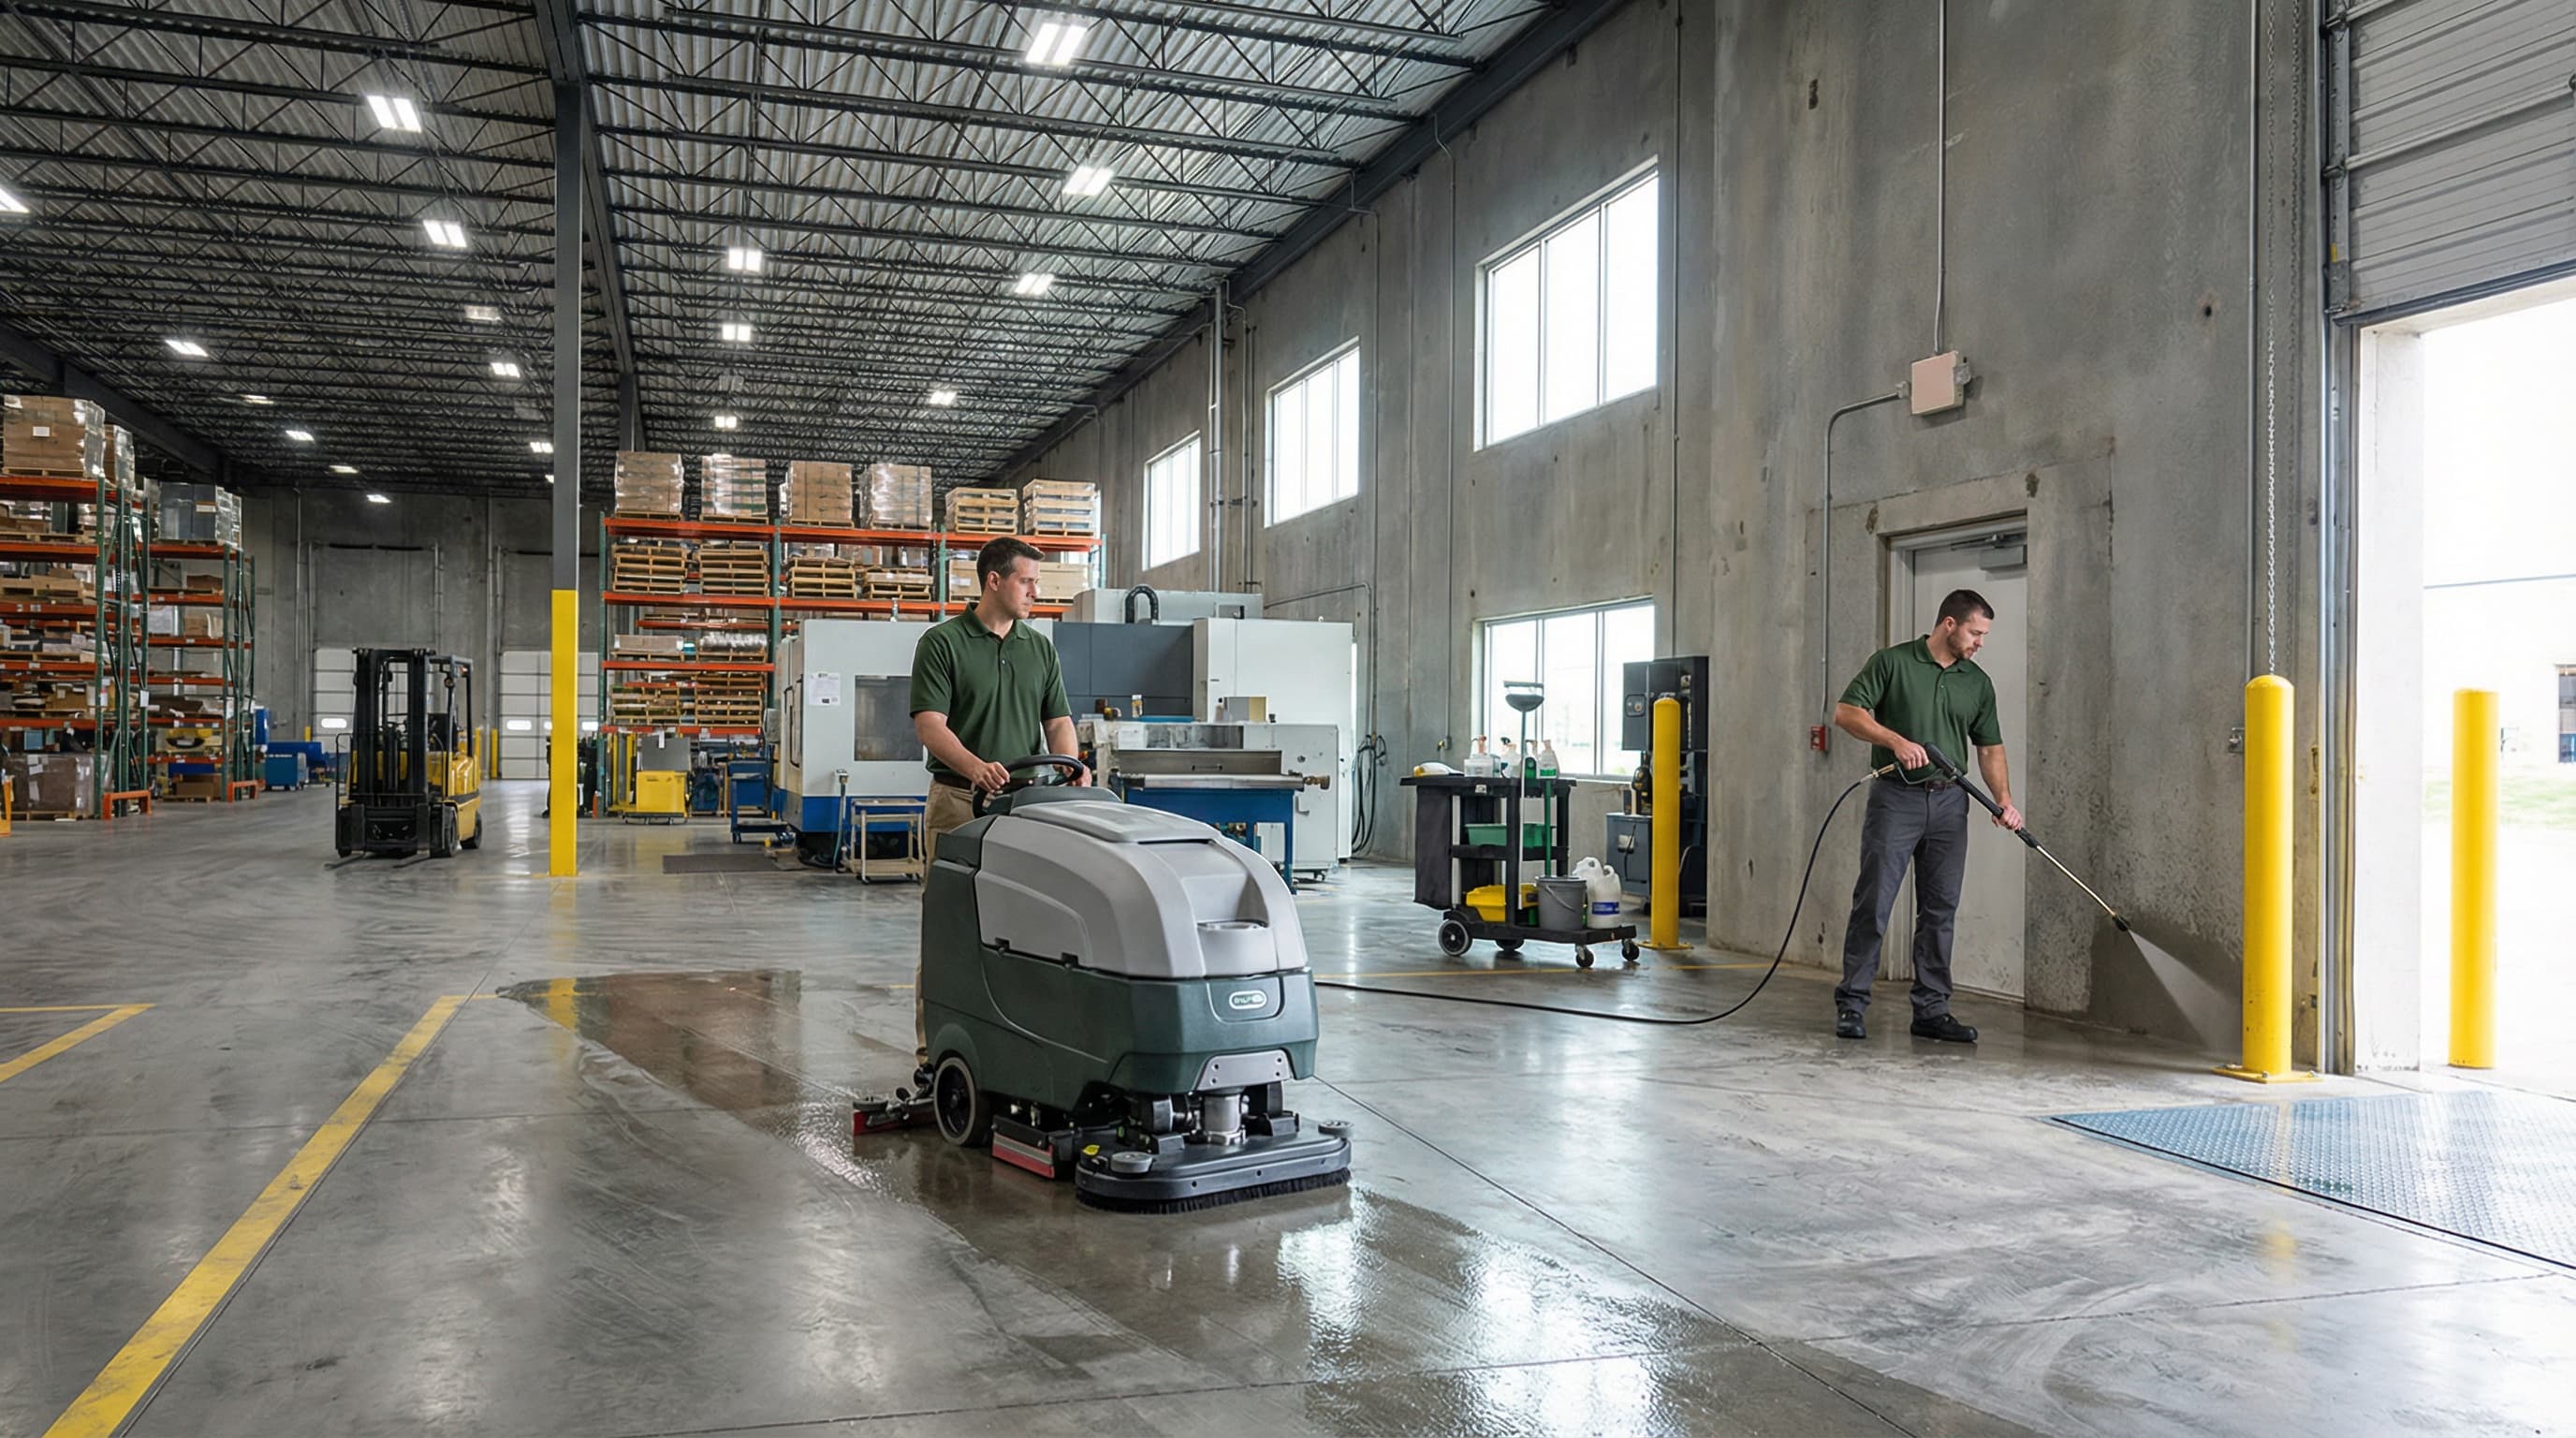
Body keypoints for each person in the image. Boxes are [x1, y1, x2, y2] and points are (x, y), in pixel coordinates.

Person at [904, 535, 1086, 1083]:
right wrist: (974, 766)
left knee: (1027, 929)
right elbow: (929, 725)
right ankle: (934, 1056)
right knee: (950, 928)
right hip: (960, 803)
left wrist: (1070, 765)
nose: (1036, 592)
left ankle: (1018, 1045)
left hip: (1028, 808)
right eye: (1028, 581)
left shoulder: (1039, 648)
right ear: (993, 581)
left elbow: (1058, 722)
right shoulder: (943, 643)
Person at [1829, 588, 2022, 1043]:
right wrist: (1895, 740)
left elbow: (1990, 747)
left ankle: (1932, 1010)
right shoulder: (1892, 663)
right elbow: (1846, 712)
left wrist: (2004, 801)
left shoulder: (1976, 682)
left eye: (1985, 635)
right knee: (1874, 903)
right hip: (1896, 799)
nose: (1981, 642)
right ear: (1949, 624)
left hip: (1952, 802)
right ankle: (1852, 1004)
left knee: (1940, 909)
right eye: (1976, 632)